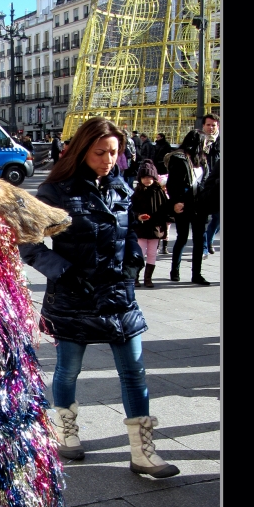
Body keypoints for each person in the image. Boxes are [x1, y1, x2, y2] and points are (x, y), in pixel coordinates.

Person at [20, 116, 179, 478]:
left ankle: (142, 452)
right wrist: (64, 271)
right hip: (73, 295)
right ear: (82, 150)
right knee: (69, 368)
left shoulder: (119, 186)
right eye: (100, 152)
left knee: (134, 372)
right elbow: (27, 241)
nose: (108, 159)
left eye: (114, 152)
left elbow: (129, 232)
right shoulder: (56, 191)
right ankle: (67, 432)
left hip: (117, 294)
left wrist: (133, 263)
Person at [165, 129, 209, 285]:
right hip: (183, 204)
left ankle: (196, 274)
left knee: (198, 239)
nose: (205, 144)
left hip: (199, 204)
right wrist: (176, 202)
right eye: (203, 141)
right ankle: (174, 270)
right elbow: (172, 184)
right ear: (197, 142)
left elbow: (206, 180)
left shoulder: (202, 159)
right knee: (182, 238)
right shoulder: (179, 158)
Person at [130, 160, 169, 288]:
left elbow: (165, 208)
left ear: (154, 178)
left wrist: (166, 221)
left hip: (155, 228)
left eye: (149, 177)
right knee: (139, 253)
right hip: (141, 228)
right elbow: (131, 209)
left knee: (152, 253)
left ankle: (148, 278)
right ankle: (136, 277)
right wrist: (138, 216)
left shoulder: (159, 192)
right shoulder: (137, 192)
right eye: (144, 177)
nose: (147, 180)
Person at [201, 114, 220, 258]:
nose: (211, 128)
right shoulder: (198, 140)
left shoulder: (219, 142)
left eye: (213, 125)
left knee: (218, 217)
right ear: (203, 126)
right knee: (201, 218)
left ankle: (209, 240)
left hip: (216, 185)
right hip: (202, 183)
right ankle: (204, 246)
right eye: (208, 125)